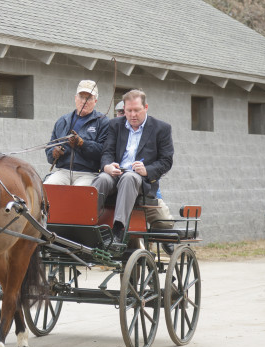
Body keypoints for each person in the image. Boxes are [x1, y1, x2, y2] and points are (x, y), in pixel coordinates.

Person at [91, 89, 174, 244]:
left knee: (129, 177)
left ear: (146, 107)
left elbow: (166, 161)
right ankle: (86, 224)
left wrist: (146, 170)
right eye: (129, 111)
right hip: (115, 174)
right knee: (102, 178)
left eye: (137, 110)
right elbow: (107, 151)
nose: (132, 115)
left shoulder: (161, 129)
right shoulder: (115, 125)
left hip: (140, 180)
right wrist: (107, 166)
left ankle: (118, 230)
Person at [44, 80, 109, 186]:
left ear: (95, 101)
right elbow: (49, 149)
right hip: (63, 172)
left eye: (89, 98)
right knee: (48, 187)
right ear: (75, 98)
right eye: (81, 97)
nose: (84, 101)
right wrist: (53, 153)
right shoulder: (62, 121)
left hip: (88, 173)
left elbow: (104, 152)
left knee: (79, 193)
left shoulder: (102, 121)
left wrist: (83, 144)